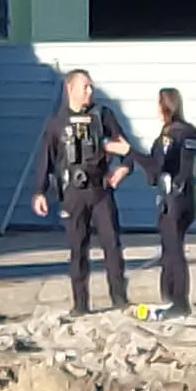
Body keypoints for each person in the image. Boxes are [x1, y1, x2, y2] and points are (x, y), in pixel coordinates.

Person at [106, 87, 196, 318]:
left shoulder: (170, 135)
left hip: (173, 199)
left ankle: (179, 302)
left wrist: (130, 151)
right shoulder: (191, 133)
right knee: (170, 249)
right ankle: (169, 297)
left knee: (173, 251)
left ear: (163, 106)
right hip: (189, 198)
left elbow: (156, 167)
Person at [31, 69, 131, 315]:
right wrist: (39, 191)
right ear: (70, 89)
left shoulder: (102, 115)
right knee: (78, 249)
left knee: (112, 244)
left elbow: (126, 149)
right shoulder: (57, 122)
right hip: (73, 194)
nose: (90, 91)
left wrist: (123, 169)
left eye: (91, 87)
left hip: (100, 191)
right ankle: (81, 305)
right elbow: (46, 159)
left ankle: (119, 299)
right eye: (85, 86)